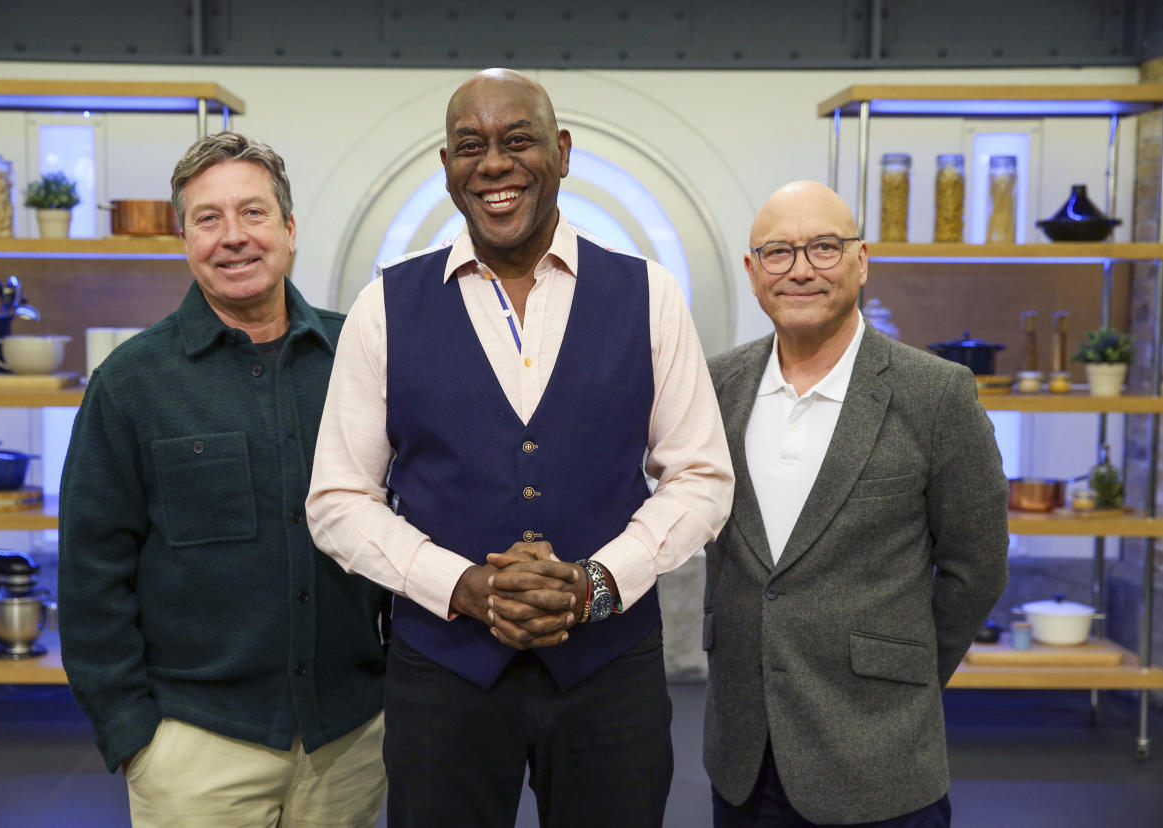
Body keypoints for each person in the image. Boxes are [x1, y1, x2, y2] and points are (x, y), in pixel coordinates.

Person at [306, 68, 734, 828]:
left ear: (562, 152)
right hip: (443, 674)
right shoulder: (384, 307)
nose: (493, 164)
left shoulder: (649, 294)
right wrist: (461, 585)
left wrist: (597, 582)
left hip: (608, 672)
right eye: (469, 145)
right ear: (446, 169)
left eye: (518, 140)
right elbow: (338, 499)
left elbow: (699, 476)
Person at [58, 131, 389, 828]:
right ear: (184, 239)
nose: (232, 237)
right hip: (195, 750)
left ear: (290, 229)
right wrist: (132, 735)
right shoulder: (132, 384)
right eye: (208, 219)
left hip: (350, 743)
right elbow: (92, 571)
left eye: (254, 213)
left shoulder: (357, 360)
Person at [703, 180, 1009, 827]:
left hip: (878, 754)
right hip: (741, 756)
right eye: (779, 253)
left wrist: (903, 676)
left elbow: (975, 566)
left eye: (823, 247)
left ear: (860, 259)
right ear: (752, 271)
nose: (801, 270)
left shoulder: (936, 394)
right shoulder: (717, 384)